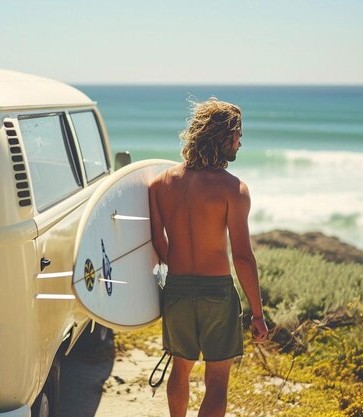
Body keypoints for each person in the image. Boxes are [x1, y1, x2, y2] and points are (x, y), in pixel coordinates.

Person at [149, 98, 268, 417]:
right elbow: (242, 256)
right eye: (238, 135)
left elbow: (157, 240)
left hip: (176, 290)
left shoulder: (160, 184)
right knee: (217, 381)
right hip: (216, 292)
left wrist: (177, 274)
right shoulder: (234, 189)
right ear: (223, 137)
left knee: (181, 369)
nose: (241, 143)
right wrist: (257, 313)